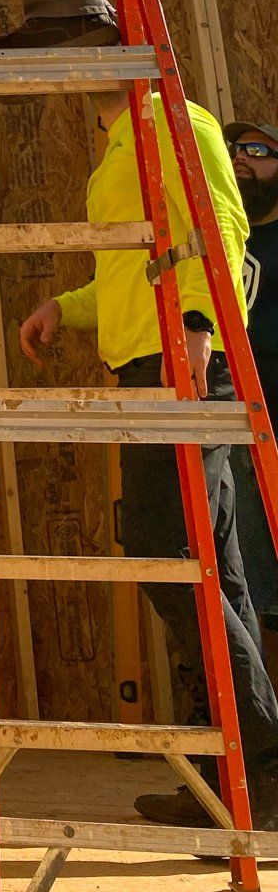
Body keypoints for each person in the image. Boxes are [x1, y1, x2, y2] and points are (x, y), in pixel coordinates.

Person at [18, 90, 278, 827]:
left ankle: (262, 756)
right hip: (151, 366)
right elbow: (134, 274)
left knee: (165, 547)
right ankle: (230, 782)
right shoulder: (118, 150)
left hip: (182, 367)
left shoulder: (174, 121)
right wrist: (64, 308)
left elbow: (223, 229)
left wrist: (198, 325)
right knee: (213, 569)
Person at [226, 121, 278, 645]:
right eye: (234, 149)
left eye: (258, 149)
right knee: (248, 591)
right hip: (237, 434)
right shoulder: (222, 237)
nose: (242, 158)